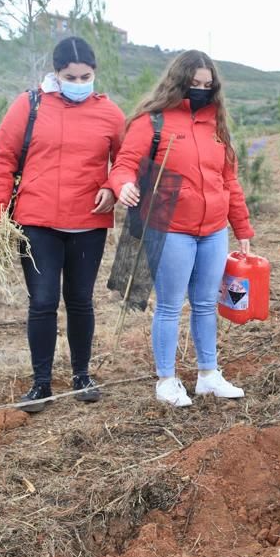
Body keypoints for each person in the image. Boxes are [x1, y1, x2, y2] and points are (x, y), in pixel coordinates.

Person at [0, 37, 125, 412]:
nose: (79, 82)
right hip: (37, 222)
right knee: (43, 302)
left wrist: (113, 186)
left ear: (95, 73)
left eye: (86, 76)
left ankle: (82, 376)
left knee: (80, 302)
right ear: (56, 73)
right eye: (71, 76)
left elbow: (128, 160)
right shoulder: (28, 105)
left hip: (88, 223)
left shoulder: (109, 112)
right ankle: (41, 384)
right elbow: (1, 159)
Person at [111, 50, 255, 408]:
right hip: (171, 227)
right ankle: (167, 380)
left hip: (213, 231)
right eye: (194, 84)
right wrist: (124, 185)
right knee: (171, 306)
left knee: (207, 304)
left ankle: (208, 375)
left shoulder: (216, 125)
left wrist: (243, 228)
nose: (201, 91)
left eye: (208, 85)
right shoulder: (152, 122)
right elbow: (124, 164)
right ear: (179, 82)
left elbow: (230, 181)